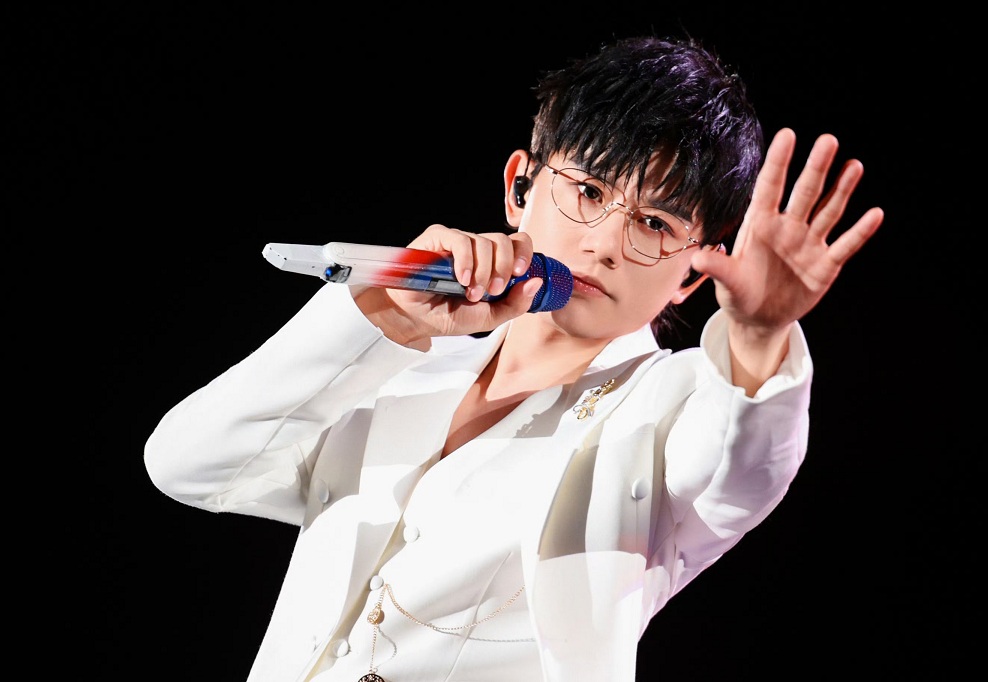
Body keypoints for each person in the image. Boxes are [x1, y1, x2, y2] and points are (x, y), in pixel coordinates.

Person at [144, 34, 883, 682]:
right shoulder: (403, 370)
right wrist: (387, 316)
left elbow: (740, 474)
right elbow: (188, 465)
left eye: (655, 223)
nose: (602, 243)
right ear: (518, 187)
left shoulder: (673, 406)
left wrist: (757, 334)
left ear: (692, 270)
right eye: (587, 190)